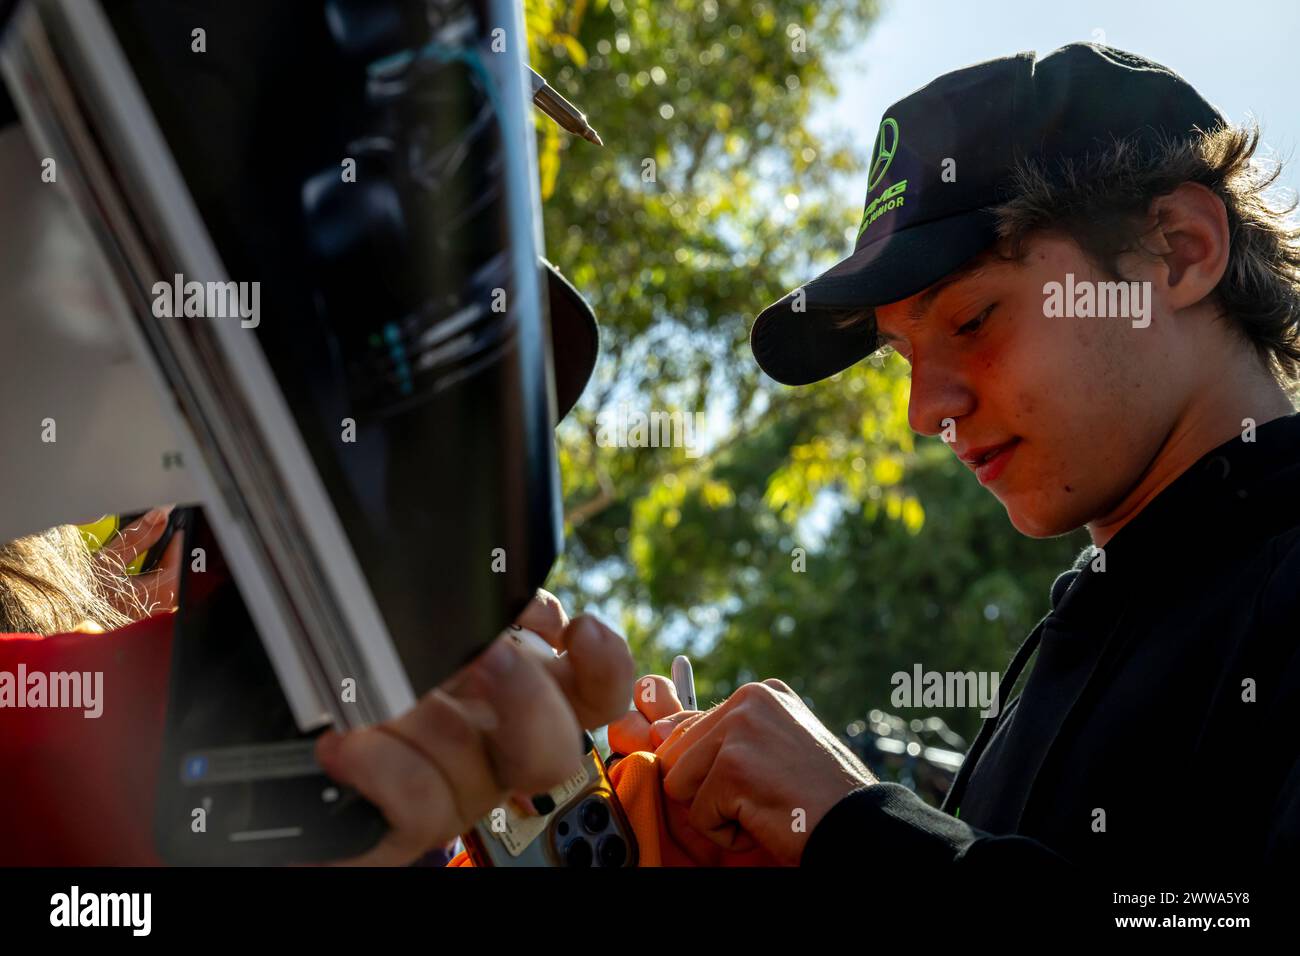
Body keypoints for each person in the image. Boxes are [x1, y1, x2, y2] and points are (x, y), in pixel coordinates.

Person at [609, 42, 1300, 873]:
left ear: (1179, 250)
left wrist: (855, 830)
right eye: (901, 356)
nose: (923, 412)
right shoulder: (1077, 640)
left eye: (972, 321)